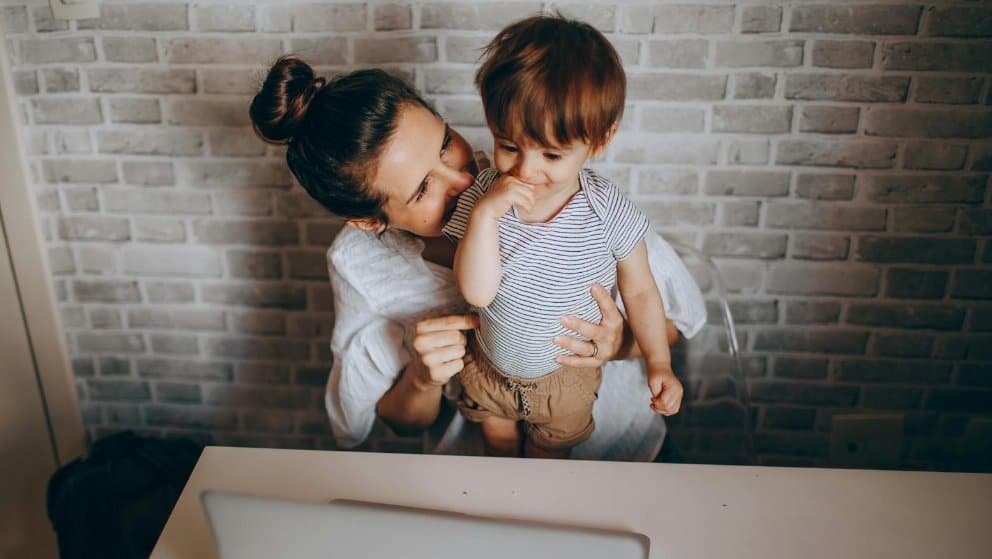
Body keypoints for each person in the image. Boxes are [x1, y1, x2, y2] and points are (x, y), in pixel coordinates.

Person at [249, 56, 705, 461]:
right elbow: (392, 422)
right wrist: (423, 379)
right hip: (482, 465)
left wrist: (618, 345)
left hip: (623, 450)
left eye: (446, 143)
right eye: (423, 189)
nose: (462, 181)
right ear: (369, 222)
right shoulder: (360, 264)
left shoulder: (538, 179)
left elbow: (678, 318)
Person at [444, 15, 682, 459]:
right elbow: (476, 291)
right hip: (491, 367)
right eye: (509, 145)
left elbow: (642, 289)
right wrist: (484, 215)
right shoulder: (485, 196)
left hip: (564, 377)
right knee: (497, 453)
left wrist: (659, 362)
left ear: (599, 141)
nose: (525, 170)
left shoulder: (606, 209)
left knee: (546, 467)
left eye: (551, 154)